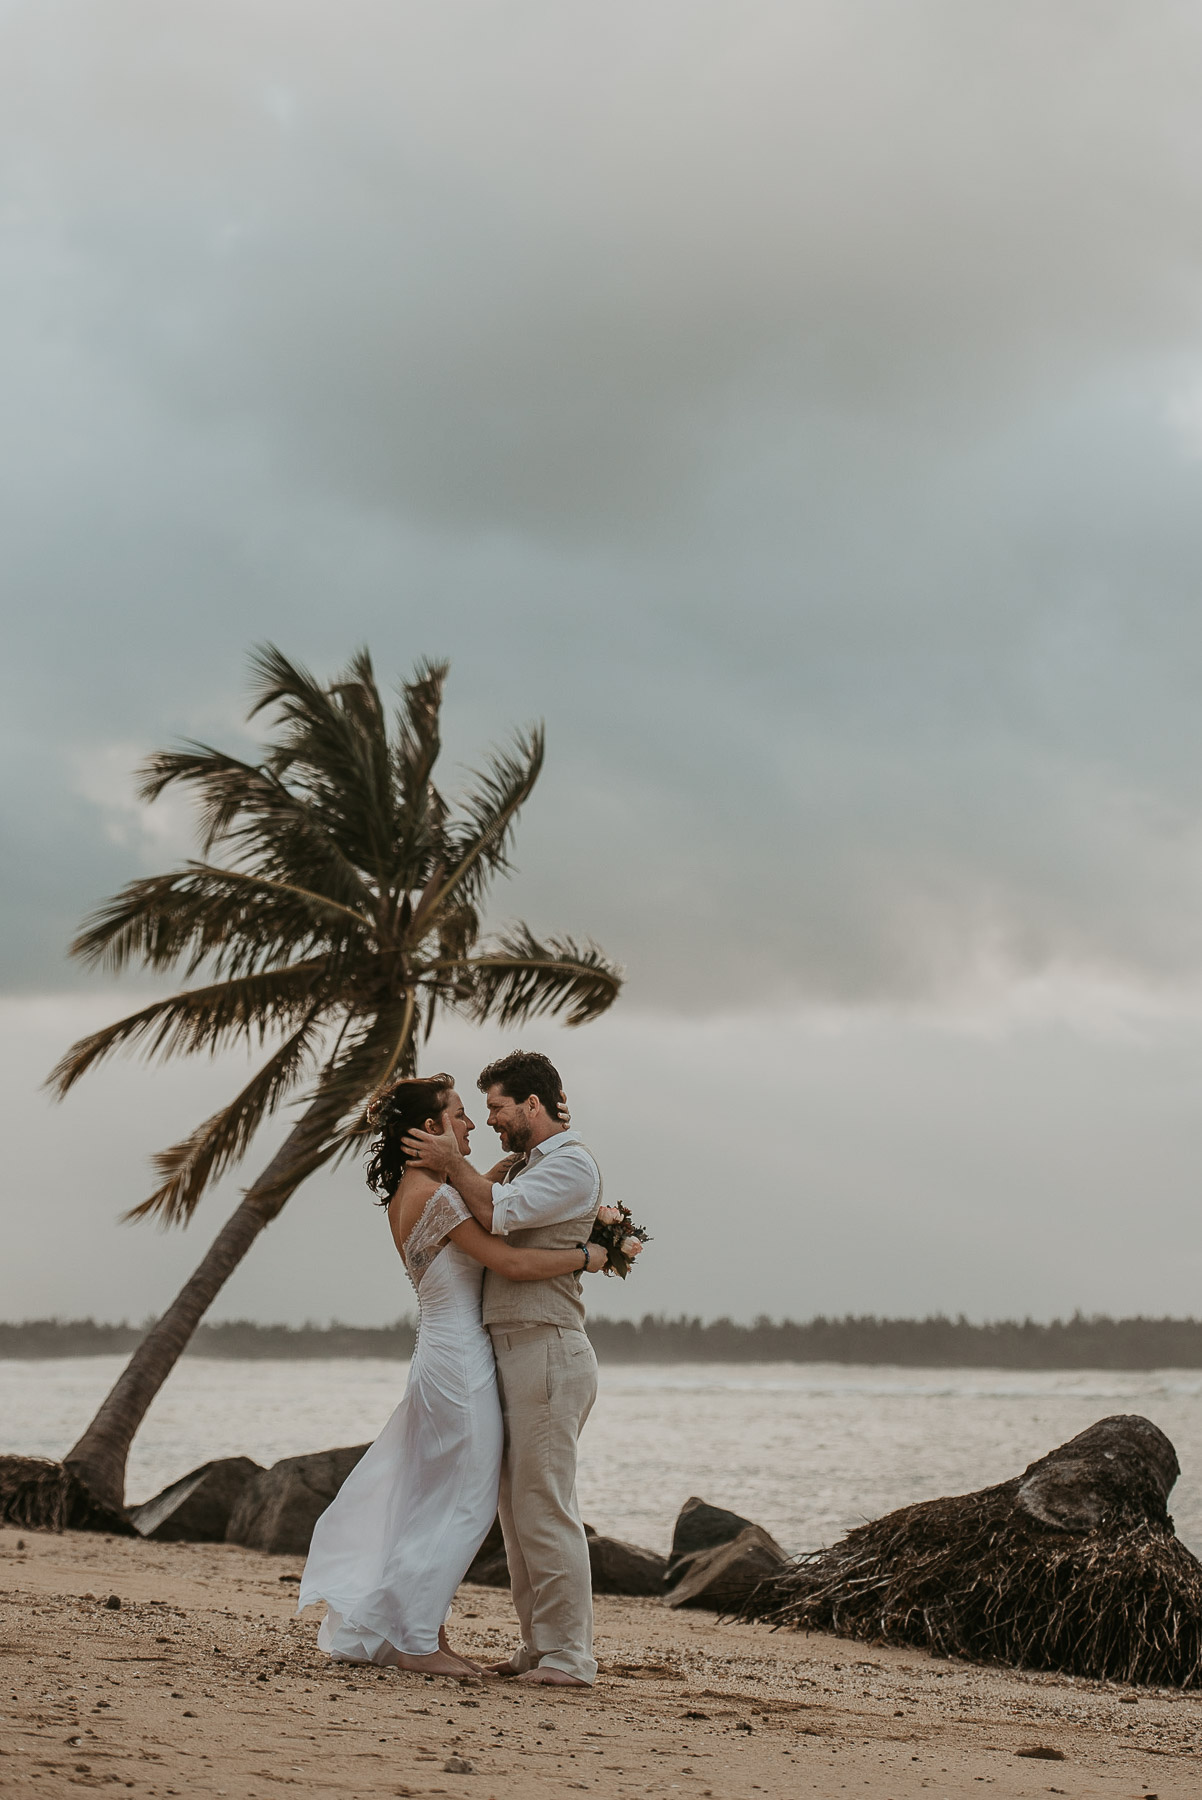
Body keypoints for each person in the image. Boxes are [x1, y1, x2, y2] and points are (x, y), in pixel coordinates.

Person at [297, 1073, 607, 1678]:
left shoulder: (424, 1190)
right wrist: (587, 1256)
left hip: (446, 1353)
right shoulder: (437, 1198)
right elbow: (510, 1259)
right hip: (461, 1359)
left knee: (440, 1498)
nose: (472, 1125)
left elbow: (488, 1195)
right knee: (465, 1504)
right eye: (462, 1114)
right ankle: (418, 1641)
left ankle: (420, 1632)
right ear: (432, 1128)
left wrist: (493, 1169)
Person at [402, 1048, 603, 1688]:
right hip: (512, 1349)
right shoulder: (522, 1164)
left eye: (496, 1107)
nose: (488, 1119)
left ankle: (571, 1655)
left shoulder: (569, 1162)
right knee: (517, 1513)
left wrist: (450, 1160)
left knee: (544, 1505)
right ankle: (538, 1646)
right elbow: (481, 1197)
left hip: (547, 1346)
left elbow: (495, 1213)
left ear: (532, 1105)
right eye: (482, 1108)